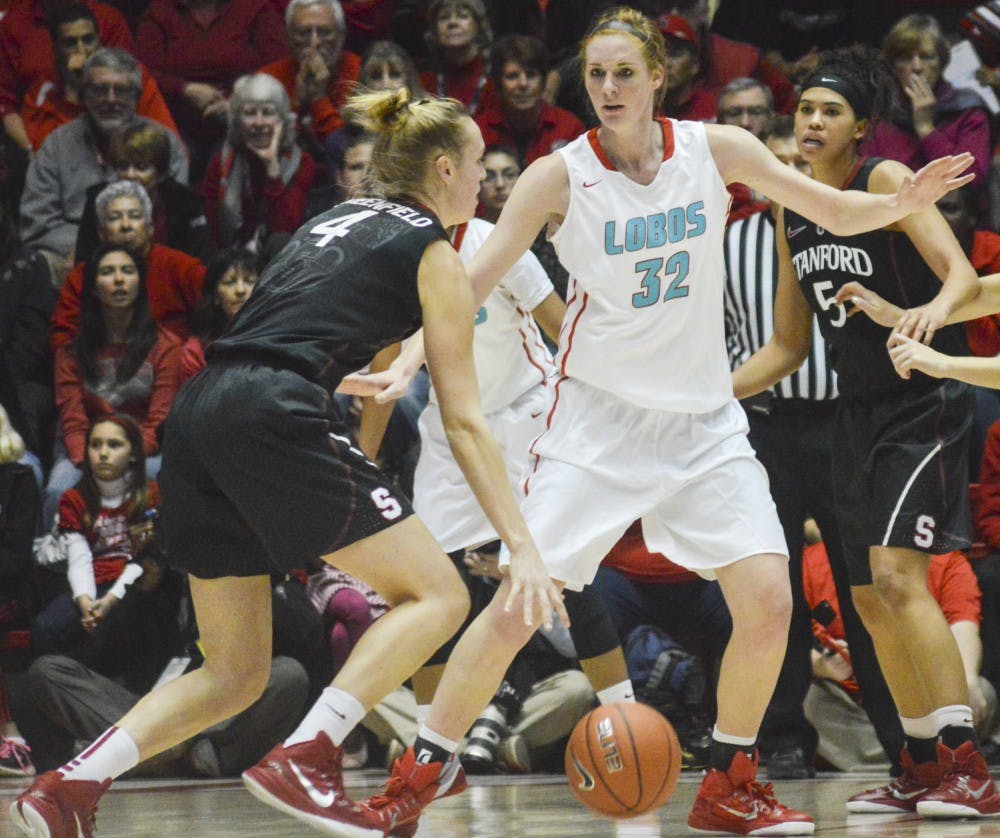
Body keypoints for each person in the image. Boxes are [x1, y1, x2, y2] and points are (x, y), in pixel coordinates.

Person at [356, 9, 973, 836]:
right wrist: (405, 359)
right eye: (595, 76)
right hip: (596, 427)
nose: (607, 89)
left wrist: (905, 196)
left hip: (704, 425)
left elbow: (832, 207)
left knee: (767, 600)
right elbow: (469, 282)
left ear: (656, 78)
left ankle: (729, 782)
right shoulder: (557, 176)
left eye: (622, 73)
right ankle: (416, 777)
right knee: (518, 604)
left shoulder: (717, 150)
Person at [9, 86, 566, 837]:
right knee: (440, 596)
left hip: (204, 412)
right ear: (442, 169)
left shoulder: (331, 220)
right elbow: (463, 420)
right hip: (273, 411)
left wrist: (342, 404)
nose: (485, 182)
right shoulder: (434, 249)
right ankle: (310, 751)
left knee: (233, 671)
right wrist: (524, 547)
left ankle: (69, 788)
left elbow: (290, 335)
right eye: (477, 166)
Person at [731, 46, 1000, 820]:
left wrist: (922, 316)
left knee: (897, 581)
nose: (810, 122)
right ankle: (918, 765)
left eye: (829, 112)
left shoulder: (883, 182)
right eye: (805, 109)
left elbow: (957, 274)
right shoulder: (793, 208)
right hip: (852, 411)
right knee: (867, 600)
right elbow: (785, 347)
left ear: (859, 129)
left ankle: (966, 765)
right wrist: (704, 396)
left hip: (922, 402)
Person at [724, 114, 903, 779]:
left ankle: (901, 742)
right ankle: (778, 741)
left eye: (794, 164)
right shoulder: (729, 242)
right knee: (773, 591)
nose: (786, 178)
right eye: (773, 166)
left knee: (866, 592)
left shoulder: (852, 226)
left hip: (842, 421)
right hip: (764, 426)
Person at [803, 540, 997, 770]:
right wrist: (820, 665)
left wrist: (967, 678)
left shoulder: (946, 561)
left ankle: (914, 756)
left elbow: (963, 621)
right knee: (809, 701)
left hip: (930, 691)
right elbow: (786, 641)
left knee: (980, 691)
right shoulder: (812, 561)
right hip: (854, 701)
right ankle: (923, 757)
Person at [19, 48, 189, 284]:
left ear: (136, 97)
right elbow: (36, 223)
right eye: (100, 90)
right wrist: (85, 247)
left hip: (151, 249)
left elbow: (177, 210)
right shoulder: (56, 145)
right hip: (71, 254)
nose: (110, 99)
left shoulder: (164, 142)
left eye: (121, 90)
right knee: (36, 266)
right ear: (84, 95)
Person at [45, 243, 181, 529]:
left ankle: (156, 569)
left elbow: (159, 420)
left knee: (159, 480)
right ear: (94, 287)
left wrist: (125, 457)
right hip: (86, 449)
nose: (119, 279)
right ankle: (52, 570)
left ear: (140, 282)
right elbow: (72, 420)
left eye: (127, 271)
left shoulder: (165, 346)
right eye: (108, 272)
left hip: (142, 450)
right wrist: (94, 460)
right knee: (59, 490)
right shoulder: (70, 352)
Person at [33, 415, 159, 654]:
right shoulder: (74, 499)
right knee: (45, 628)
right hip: (89, 581)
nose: (103, 453)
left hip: (134, 581)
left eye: (114, 445)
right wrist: (86, 603)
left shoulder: (148, 494)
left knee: (123, 623)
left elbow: (141, 560)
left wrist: (110, 601)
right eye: (95, 444)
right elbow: (79, 559)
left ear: (133, 454)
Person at [135, 0, 286, 184]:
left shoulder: (255, 7)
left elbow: (276, 67)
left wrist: (235, 102)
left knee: (233, 161)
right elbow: (144, 71)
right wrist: (184, 89)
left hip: (241, 120)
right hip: (177, 123)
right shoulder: (160, 11)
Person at [51, 179, 207, 354]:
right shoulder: (82, 276)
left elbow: (215, 315)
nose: (125, 225)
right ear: (101, 232)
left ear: (150, 228)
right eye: (115, 218)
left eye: (134, 216)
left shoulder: (182, 267)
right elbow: (62, 339)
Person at [865, 14, 992, 222]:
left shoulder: (968, 109)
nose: (916, 67)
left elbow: (971, 181)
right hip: (896, 226)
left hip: (960, 229)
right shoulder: (881, 116)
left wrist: (925, 128)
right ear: (893, 66)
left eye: (926, 57)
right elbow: (869, 182)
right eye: (905, 57)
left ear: (941, 62)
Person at [21, 3, 178, 153]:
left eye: (88, 40)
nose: (82, 50)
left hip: (131, 169)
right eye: (70, 43)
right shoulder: (43, 89)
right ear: (55, 50)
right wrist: (74, 93)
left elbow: (172, 145)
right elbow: (44, 156)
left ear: (100, 42)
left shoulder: (133, 75)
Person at [202, 73, 317, 250]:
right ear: (238, 121)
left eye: (268, 113)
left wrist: (272, 168)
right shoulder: (221, 162)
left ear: (283, 120)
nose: (259, 122)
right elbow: (214, 233)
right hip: (233, 258)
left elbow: (284, 230)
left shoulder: (302, 162)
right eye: (250, 113)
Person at [75, 121, 212, 266]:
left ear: (160, 173)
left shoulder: (186, 203)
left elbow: (203, 263)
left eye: (141, 167)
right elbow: (84, 261)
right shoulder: (99, 200)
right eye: (123, 166)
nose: (130, 175)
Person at [259, 0, 362, 151]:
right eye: (303, 33)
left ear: (342, 36)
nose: (314, 42)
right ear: (287, 38)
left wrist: (318, 99)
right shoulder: (267, 81)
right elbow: (268, 147)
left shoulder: (361, 73)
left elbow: (349, 152)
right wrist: (297, 104)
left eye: (325, 32)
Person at [474, 34, 585, 167]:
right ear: (498, 85)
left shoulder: (570, 128)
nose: (523, 84)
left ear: (544, 82)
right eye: (512, 76)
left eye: (531, 75)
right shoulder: (480, 131)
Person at [178, 246, 259, 382]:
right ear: (215, 296)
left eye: (249, 282)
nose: (240, 290)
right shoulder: (196, 351)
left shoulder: (277, 338)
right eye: (230, 282)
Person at [419, 0, 498, 118]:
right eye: (444, 17)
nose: (452, 23)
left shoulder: (498, 78)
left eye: (462, 16)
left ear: (479, 25)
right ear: (435, 30)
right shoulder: (425, 84)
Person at [656, 13, 715, 122]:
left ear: (695, 65)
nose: (665, 63)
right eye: (658, 55)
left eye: (675, 54)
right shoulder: (640, 107)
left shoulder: (711, 110)